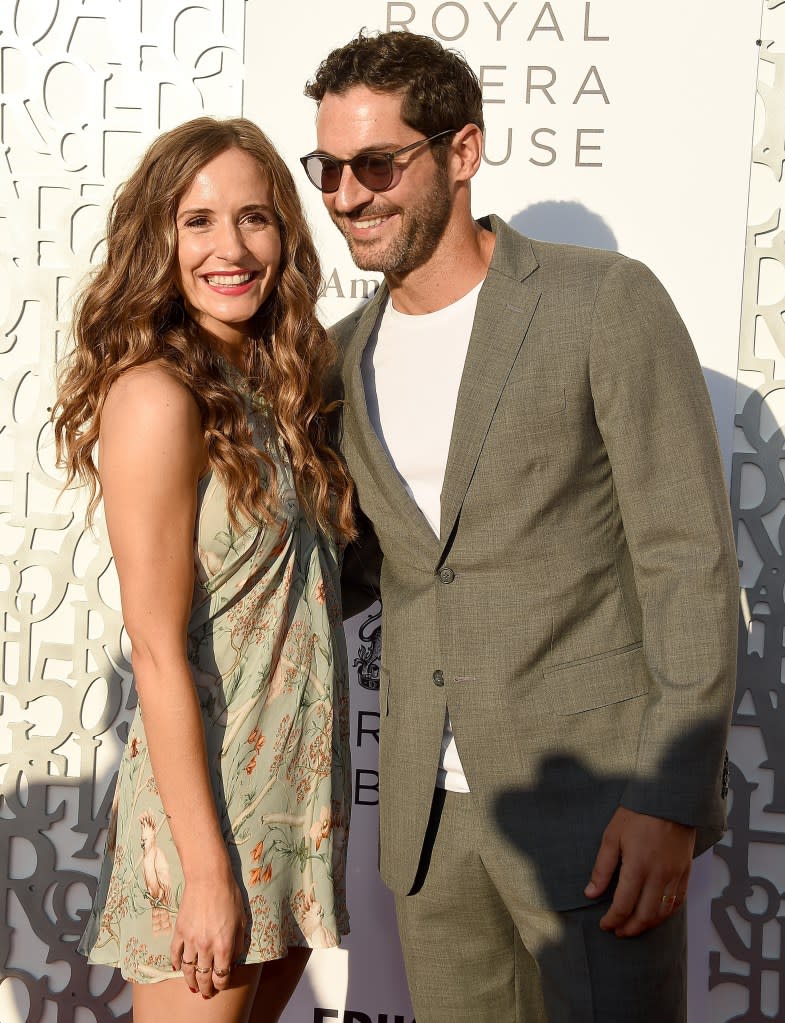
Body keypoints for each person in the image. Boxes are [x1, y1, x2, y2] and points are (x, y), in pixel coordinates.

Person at [301, 30, 738, 1023]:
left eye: (377, 164)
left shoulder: (601, 304)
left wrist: (668, 799)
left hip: (593, 807)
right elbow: (377, 570)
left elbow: (687, 563)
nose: (347, 196)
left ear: (460, 152)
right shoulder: (339, 359)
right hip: (426, 822)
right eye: (326, 169)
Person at [53, 116, 355, 1023]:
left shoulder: (282, 386)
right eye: (198, 221)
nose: (231, 246)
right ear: (158, 238)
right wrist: (207, 867)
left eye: (255, 218)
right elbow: (153, 648)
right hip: (208, 816)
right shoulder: (155, 396)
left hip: (292, 803)